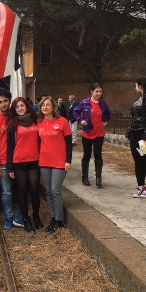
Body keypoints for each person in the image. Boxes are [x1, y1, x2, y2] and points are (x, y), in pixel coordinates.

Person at [0, 88, 24, 229]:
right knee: (7, 192)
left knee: (23, 190)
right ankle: (8, 217)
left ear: (10, 101)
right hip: (2, 162)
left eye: (5, 101)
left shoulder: (17, 116)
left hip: (20, 160)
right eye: (0, 102)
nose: (3, 104)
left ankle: (20, 216)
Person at [7, 97, 42, 232]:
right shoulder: (12, 124)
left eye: (22, 106)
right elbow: (9, 147)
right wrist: (10, 166)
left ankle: (36, 217)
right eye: (17, 107)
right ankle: (25, 220)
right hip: (19, 162)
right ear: (14, 110)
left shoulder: (35, 121)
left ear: (27, 106)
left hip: (34, 160)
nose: (20, 108)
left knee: (34, 191)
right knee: (22, 192)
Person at [37, 96, 72, 232]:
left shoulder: (62, 121)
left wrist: (68, 160)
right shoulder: (39, 122)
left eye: (48, 105)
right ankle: (53, 218)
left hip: (59, 161)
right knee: (48, 191)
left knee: (55, 190)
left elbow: (69, 143)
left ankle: (59, 220)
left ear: (53, 107)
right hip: (44, 161)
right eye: (43, 105)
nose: (45, 107)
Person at [73, 83, 111, 188]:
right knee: (87, 155)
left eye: (100, 91)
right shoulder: (84, 103)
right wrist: (81, 120)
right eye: (96, 91)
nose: (98, 93)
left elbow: (108, 114)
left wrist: (106, 121)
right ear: (91, 91)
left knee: (98, 154)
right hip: (87, 132)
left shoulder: (103, 103)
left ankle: (99, 177)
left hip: (99, 132)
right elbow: (75, 112)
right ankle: (85, 177)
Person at [125, 76, 146, 197]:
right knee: (137, 160)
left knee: (144, 160)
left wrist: (144, 137)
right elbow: (133, 119)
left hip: (143, 137)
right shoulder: (139, 99)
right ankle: (140, 187)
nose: (135, 87)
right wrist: (128, 132)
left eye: (136, 85)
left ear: (140, 86)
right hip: (134, 134)